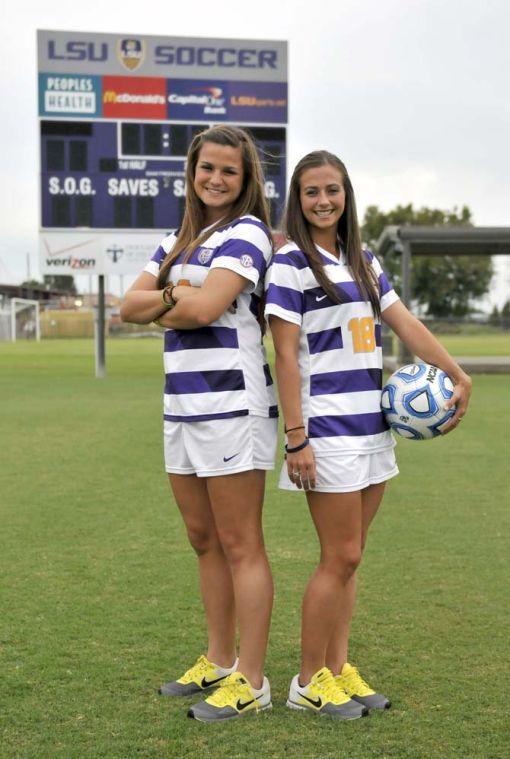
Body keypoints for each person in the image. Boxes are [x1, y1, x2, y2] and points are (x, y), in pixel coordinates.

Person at [264, 150, 472, 720]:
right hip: (325, 433)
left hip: (373, 428)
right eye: (312, 192)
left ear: (347, 195)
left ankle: (336, 668)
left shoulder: (362, 258)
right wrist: (297, 438)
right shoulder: (289, 264)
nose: (324, 201)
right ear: (298, 200)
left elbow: (405, 323)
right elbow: (284, 354)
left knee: (351, 561)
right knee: (341, 555)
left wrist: (456, 372)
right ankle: (307, 682)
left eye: (333, 190)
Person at [120, 125, 278, 723]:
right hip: (181, 405)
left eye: (228, 171)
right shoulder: (179, 238)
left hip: (232, 406)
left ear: (245, 180)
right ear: (192, 172)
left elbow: (208, 308)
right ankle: (217, 658)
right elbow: (124, 307)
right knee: (202, 539)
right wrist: (174, 296)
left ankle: (253, 680)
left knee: (241, 544)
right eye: (206, 168)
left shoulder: (249, 232)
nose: (215, 178)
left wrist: (163, 297)